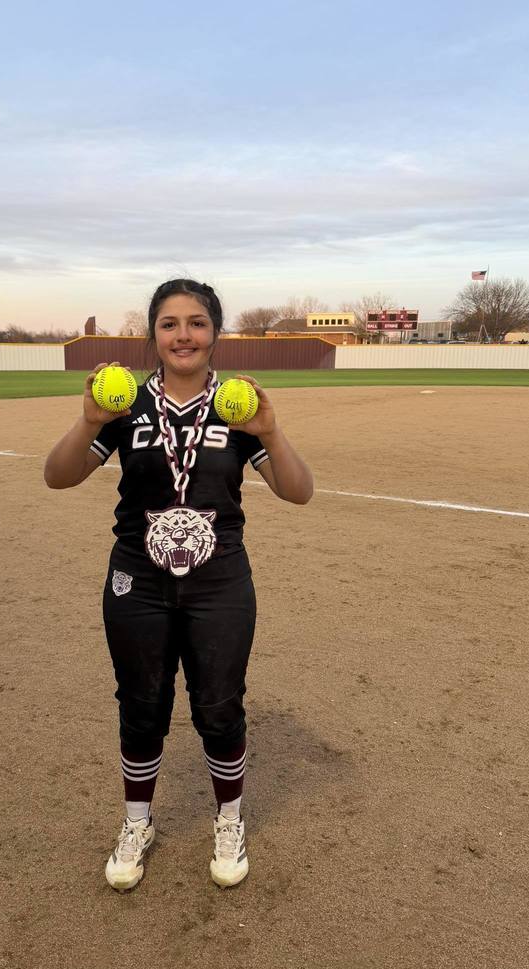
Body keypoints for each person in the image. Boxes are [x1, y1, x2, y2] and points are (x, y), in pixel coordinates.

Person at [44, 279, 313, 890]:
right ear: (154, 335)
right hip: (136, 579)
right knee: (141, 704)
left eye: (196, 322)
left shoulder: (238, 408)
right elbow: (57, 476)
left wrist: (270, 432)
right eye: (170, 324)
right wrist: (87, 421)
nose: (183, 335)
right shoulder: (124, 406)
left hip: (219, 581)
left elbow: (299, 491)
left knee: (219, 707)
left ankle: (229, 818)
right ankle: (138, 822)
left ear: (215, 332)